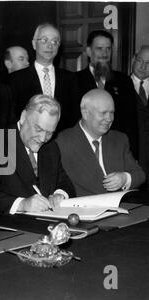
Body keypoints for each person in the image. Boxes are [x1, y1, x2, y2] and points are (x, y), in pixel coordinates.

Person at [0, 94, 75, 215]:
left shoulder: (51, 148)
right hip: (10, 226)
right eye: (38, 129)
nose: (43, 138)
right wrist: (22, 204)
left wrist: (60, 194)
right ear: (23, 117)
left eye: (49, 133)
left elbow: (65, 182)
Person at [56, 89, 145, 196]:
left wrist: (124, 178)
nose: (109, 119)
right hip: (83, 209)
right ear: (85, 113)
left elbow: (140, 175)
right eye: (103, 113)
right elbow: (56, 182)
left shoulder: (119, 139)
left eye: (112, 113)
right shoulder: (63, 141)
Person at [76, 30, 138, 158]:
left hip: (116, 151)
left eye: (108, 49)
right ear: (88, 51)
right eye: (99, 48)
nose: (104, 53)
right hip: (83, 151)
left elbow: (131, 123)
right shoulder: (74, 80)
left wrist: (133, 155)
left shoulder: (124, 81)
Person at [8, 22, 79, 131]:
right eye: (44, 40)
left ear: (59, 46)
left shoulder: (71, 79)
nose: (50, 45)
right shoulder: (15, 79)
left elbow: (74, 117)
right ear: (34, 44)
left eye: (54, 41)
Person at [131, 45, 149, 189]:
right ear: (133, 60)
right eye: (140, 60)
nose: (143, 66)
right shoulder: (118, 84)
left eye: (148, 63)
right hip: (130, 159)